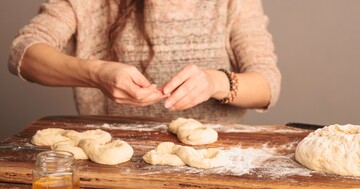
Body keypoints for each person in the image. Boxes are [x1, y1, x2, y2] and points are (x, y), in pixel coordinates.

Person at [8, 0, 280, 123]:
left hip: (217, 165)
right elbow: (24, 52)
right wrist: (97, 73)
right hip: (113, 172)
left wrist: (214, 82)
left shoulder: (233, 3)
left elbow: (267, 85)